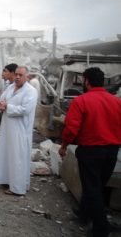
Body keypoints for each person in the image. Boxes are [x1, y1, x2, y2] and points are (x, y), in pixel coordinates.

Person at [58, 67, 121, 237]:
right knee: (97, 185)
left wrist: (64, 145)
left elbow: (71, 128)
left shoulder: (81, 101)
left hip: (91, 150)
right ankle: (84, 214)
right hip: (112, 151)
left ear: (86, 81)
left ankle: (101, 227)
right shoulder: (116, 102)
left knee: (92, 187)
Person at [0, 66, 38, 196]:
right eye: (16, 74)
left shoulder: (31, 91)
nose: (17, 77)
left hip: (20, 130)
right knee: (6, 154)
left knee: (18, 158)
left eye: (21, 75)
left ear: (26, 76)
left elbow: (25, 110)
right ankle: (7, 180)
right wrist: (0, 105)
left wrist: (8, 106)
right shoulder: (11, 87)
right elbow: (2, 99)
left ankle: (17, 187)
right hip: (7, 128)